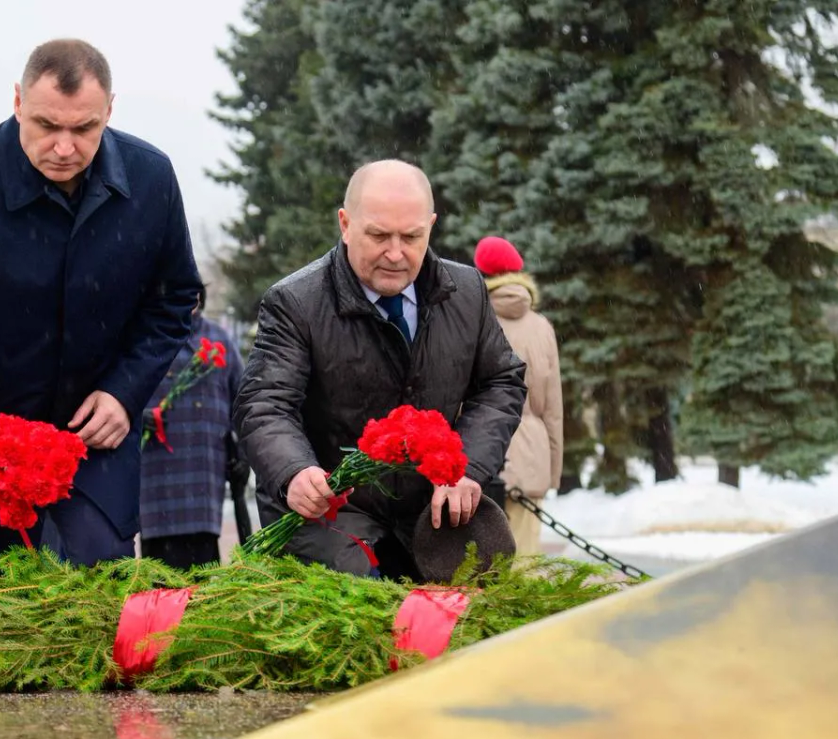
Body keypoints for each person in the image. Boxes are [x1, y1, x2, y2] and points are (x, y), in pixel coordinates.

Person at [0, 39, 202, 580]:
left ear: (110, 110)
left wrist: (126, 392)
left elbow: (175, 298)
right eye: (45, 125)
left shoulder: (151, 178)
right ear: (16, 101)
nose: (63, 147)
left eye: (84, 129)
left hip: (91, 452)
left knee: (93, 621)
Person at [234, 160, 527, 580]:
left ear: (431, 225)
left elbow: (501, 382)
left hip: (429, 516)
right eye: (378, 235)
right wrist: (295, 471)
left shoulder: (467, 294)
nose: (395, 253)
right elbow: (264, 405)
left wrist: (466, 465)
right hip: (332, 515)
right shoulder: (295, 303)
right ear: (345, 224)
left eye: (411, 237)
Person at [138, 295, 247, 569]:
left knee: (201, 572)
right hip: (156, 480)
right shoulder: (142, 337)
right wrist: (137, 418)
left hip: (202, 481)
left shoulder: (218, 339)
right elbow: (117, 399)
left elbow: (244, 404)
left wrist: (244, 454)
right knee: (157, 577)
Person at [474, 236, 563, 555]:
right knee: (525, 563)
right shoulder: (541, 326)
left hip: (481, 451)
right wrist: (552, 470)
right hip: (532, 452)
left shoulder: (473, 319)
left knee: (480, 564)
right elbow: (553, 408)